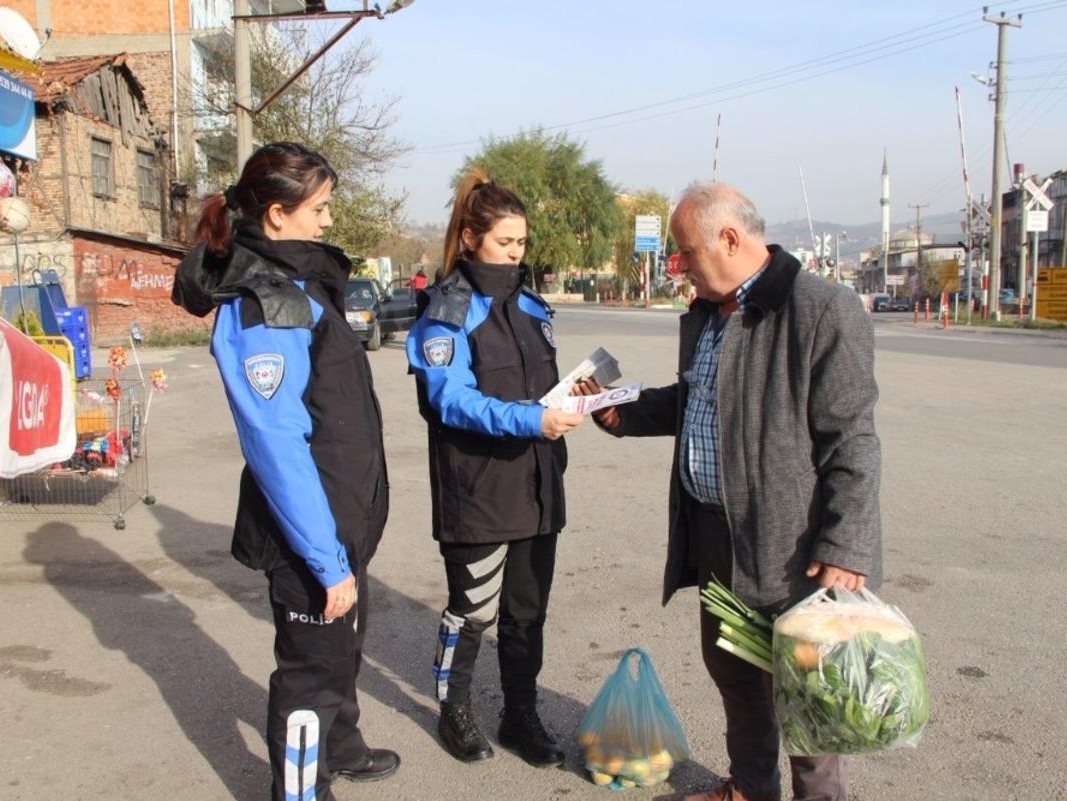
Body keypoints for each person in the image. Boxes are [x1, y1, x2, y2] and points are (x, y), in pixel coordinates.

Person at [580, 183, 882, 801]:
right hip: (715, 535)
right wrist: (622, 409)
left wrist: (847, 541)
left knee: (806, 696)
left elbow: (851, 439)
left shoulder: (822, 309)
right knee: (737, 677)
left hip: (789, 547)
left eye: (686, 252)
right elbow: (697, 399)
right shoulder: (707, 314)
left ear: (730, 239)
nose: (680, 266)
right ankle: (749, 788)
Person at [171, 142, 398, 801]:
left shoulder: (298, 285)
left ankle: (343, 745)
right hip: (308, 533)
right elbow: (277, 443)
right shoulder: (264, 303)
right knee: (308, 674)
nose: (328, 221)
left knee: (342, 645)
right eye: (319, 208)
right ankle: (299, 791)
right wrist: (327, 562)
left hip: (338, 518)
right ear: (276, 214)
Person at [405, 169, 583, 768]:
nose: (516, 254)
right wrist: (531, 420)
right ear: (473, 236)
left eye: (523, 244)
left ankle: (521, 714)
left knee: (526, 614)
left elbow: (539, 387)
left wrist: (577, 398)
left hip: (538, 488)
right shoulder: (446, 311)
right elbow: (447, 399)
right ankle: (454, 711)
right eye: (506, 243)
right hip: (478, 489)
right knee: (474, 612)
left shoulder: (532, 306)